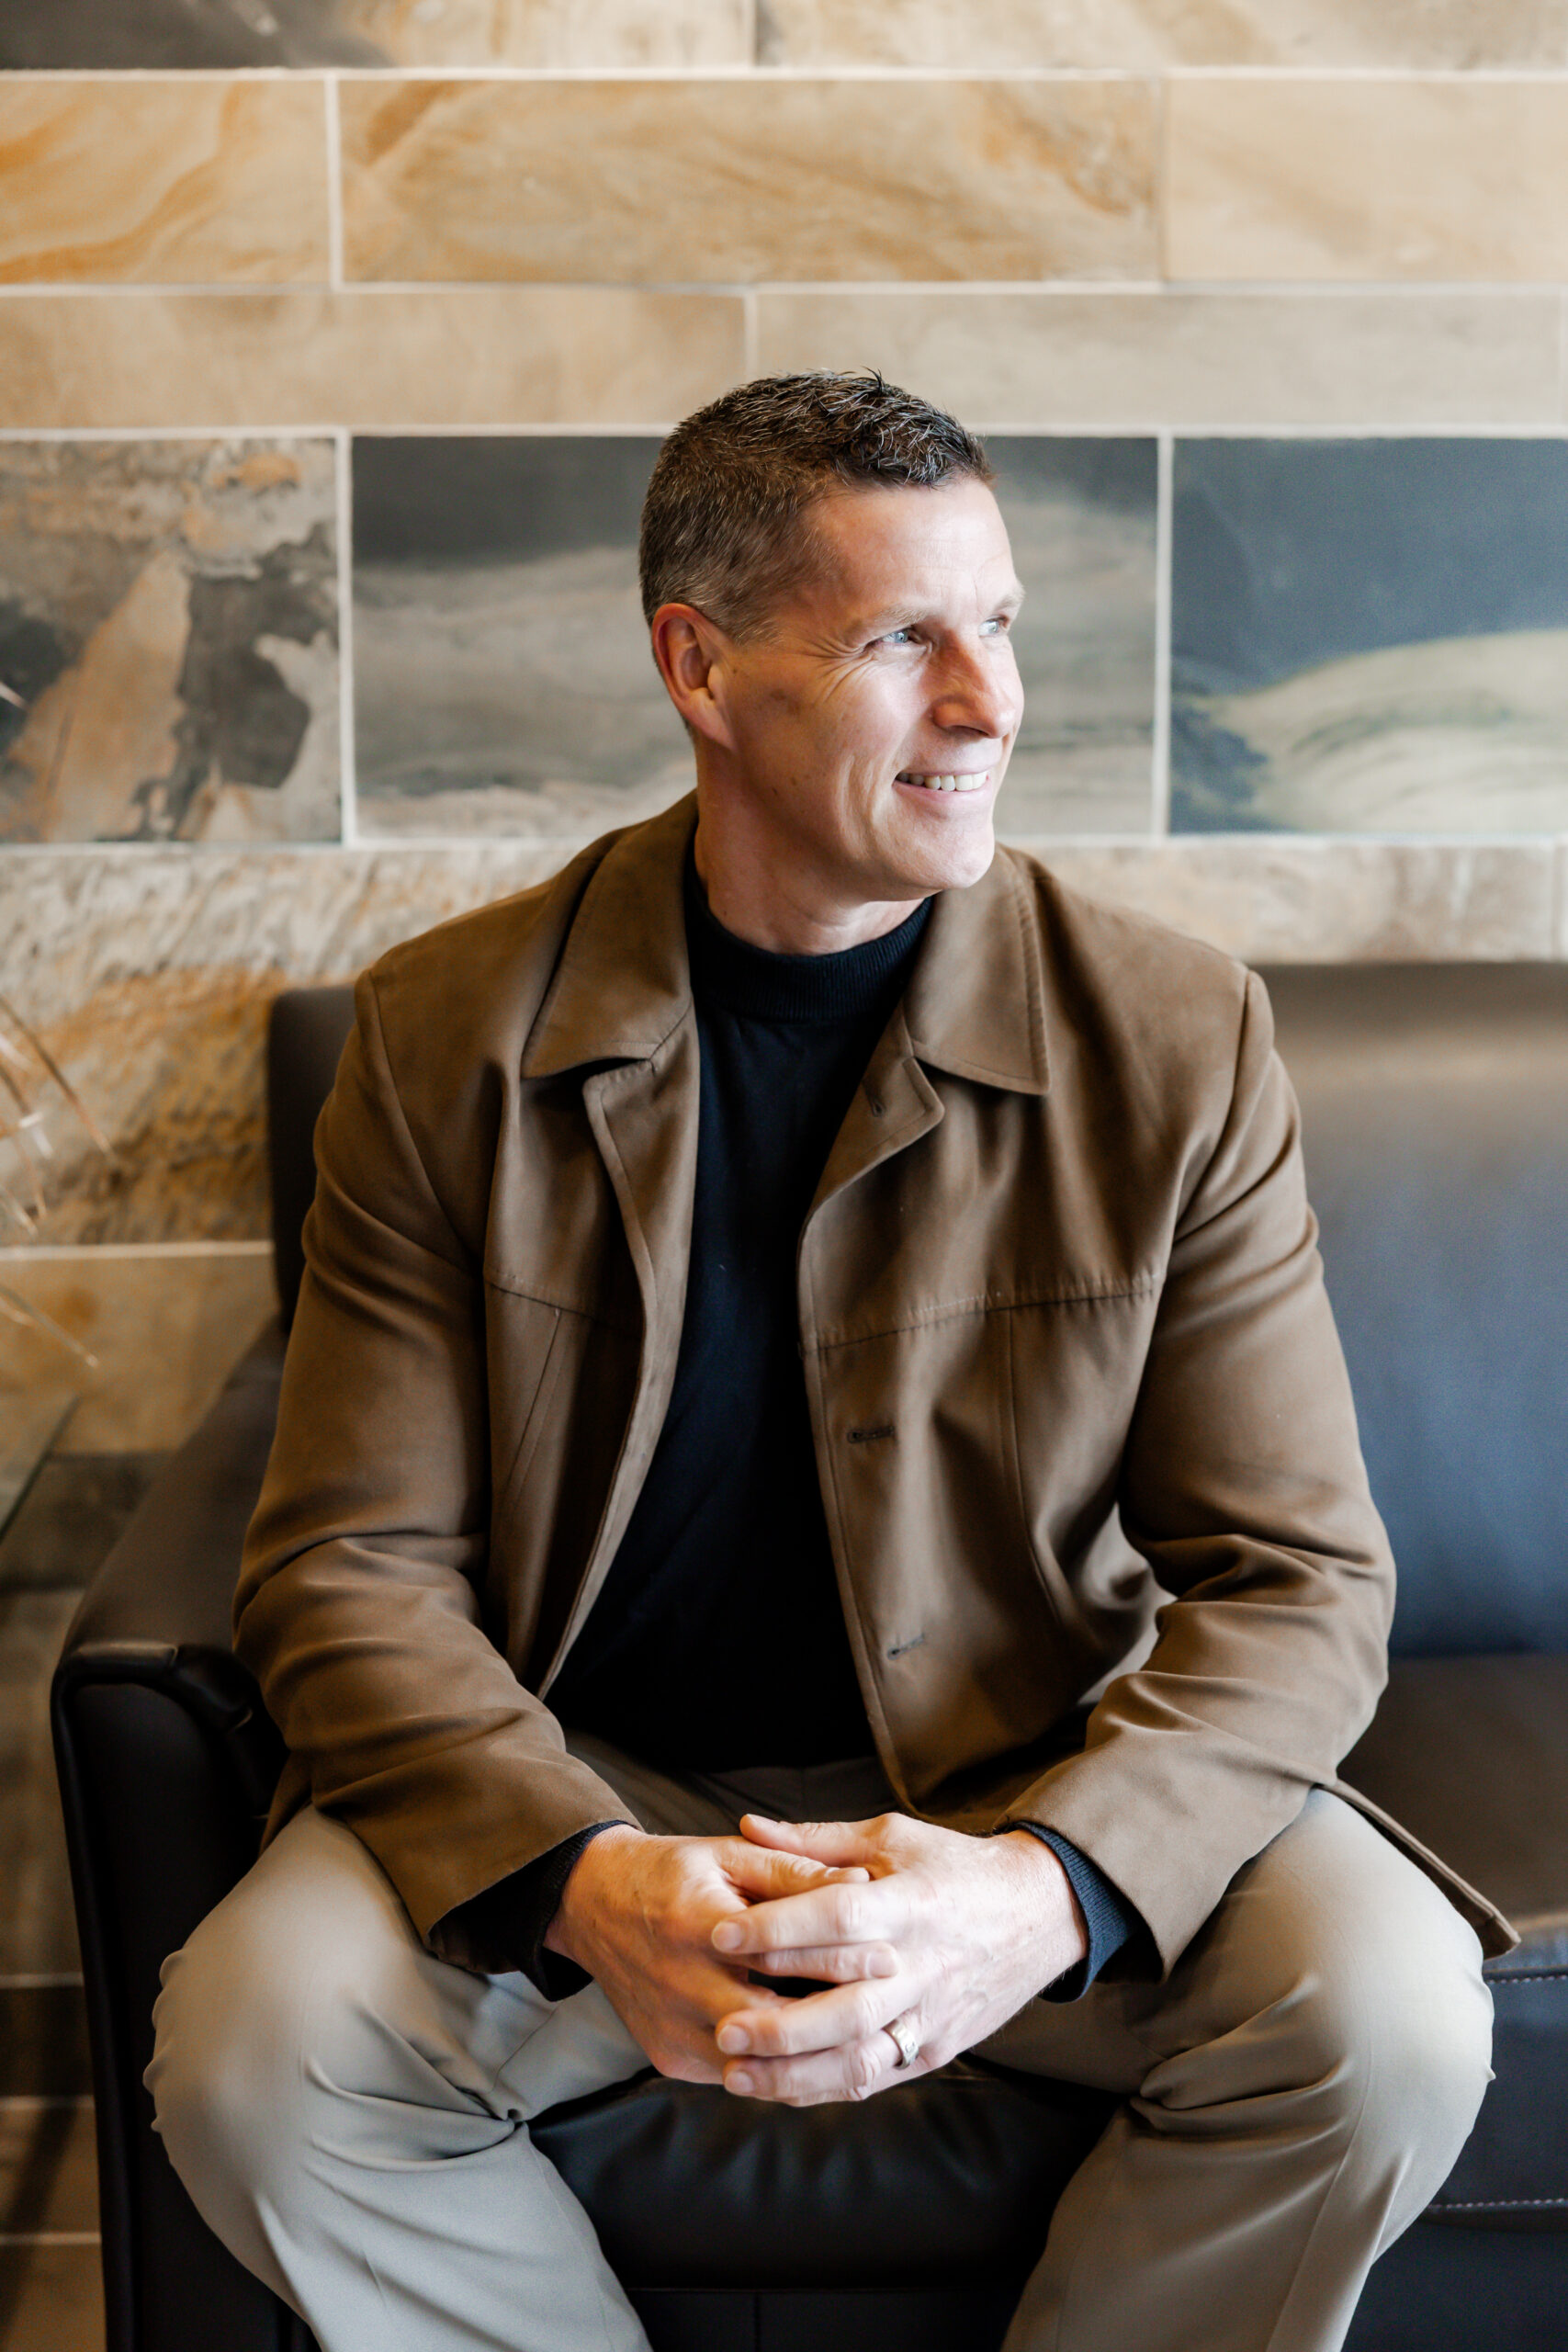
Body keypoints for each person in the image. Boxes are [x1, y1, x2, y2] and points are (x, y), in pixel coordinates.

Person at [147, 372, 1507, 2352]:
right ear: (697, 668)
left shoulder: (1178, 1040)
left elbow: (1299, 1580)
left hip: (1033, 1770)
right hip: (587, 1778)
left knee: (1387, 2016)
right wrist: (585, 1874)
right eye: (900, 640)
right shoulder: (445, 1038)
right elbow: (345, 1569)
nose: (988, 701)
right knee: (253, 2046)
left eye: (1002, 624)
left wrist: (1046, 1886)